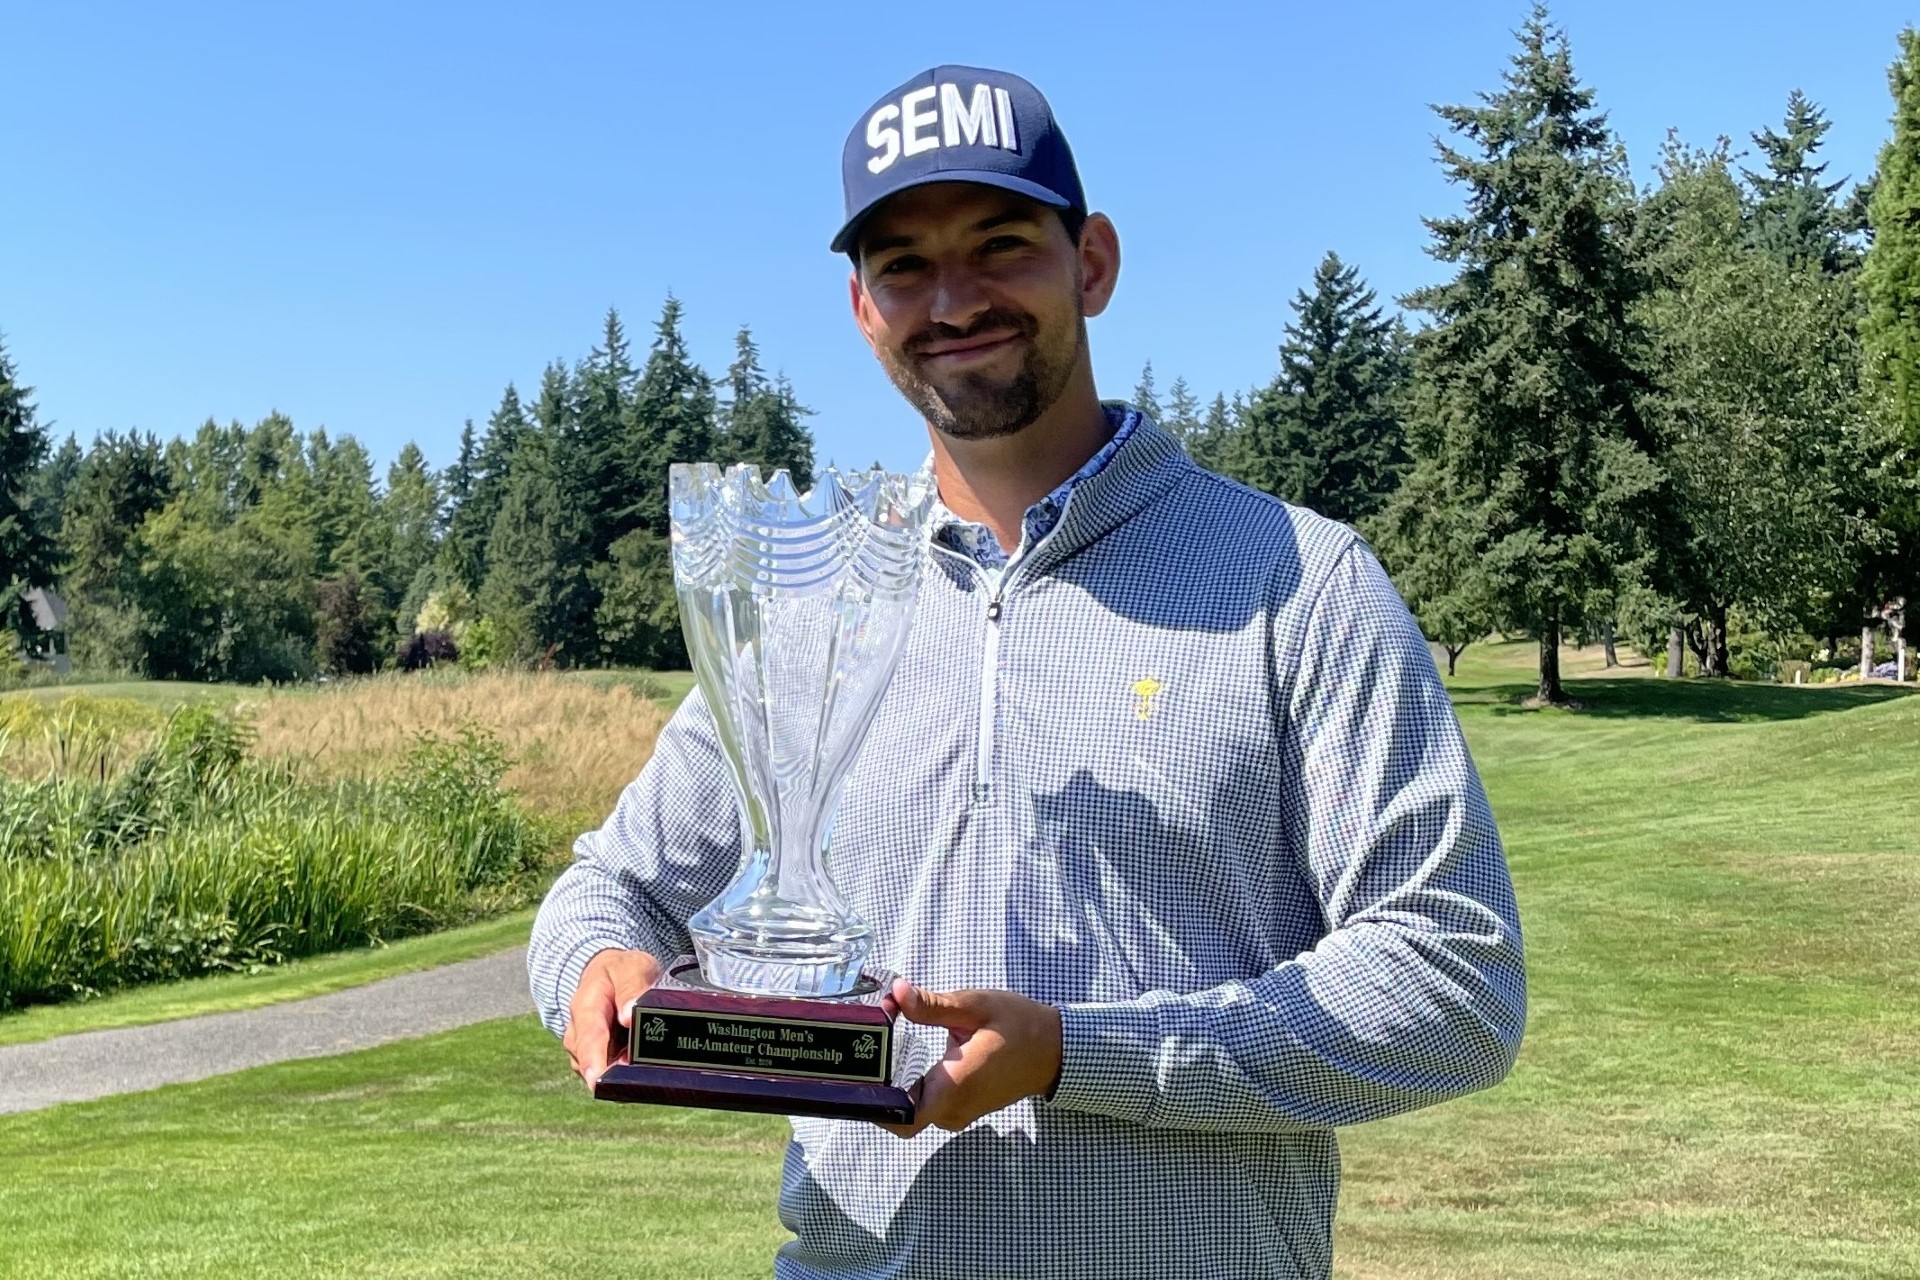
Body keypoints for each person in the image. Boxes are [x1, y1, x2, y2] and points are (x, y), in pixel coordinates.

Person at [529, 64, 1526, 1280]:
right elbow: (608, 891)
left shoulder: (1296, 579)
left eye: (1002, 244)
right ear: (861, 306)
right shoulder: (813, 603)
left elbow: (1453, 975)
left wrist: (1077, 1053)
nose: (953, 299)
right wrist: (597, 969)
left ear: (1091, 262)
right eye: (903, 264)